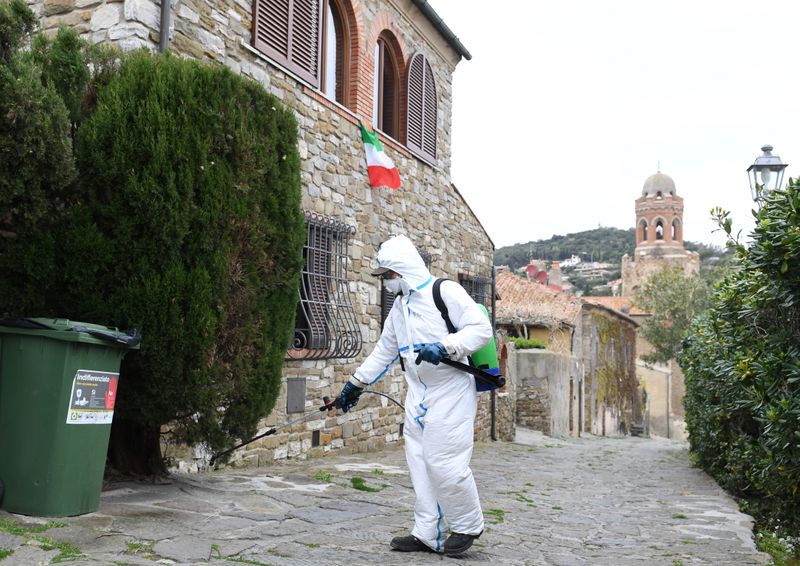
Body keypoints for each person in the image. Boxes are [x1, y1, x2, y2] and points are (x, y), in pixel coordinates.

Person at [335, 234, 492, 556]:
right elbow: (384, 352)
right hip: (417, 392)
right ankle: (427, 533)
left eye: (390, 275)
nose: (388, 283)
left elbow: (480, 330)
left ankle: (467, 523)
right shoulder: (400, 309)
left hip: (450, 389)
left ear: (403, 270)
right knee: (419, 463)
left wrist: (447, 346)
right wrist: (354, 385)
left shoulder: (444, 291)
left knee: (444, 461)